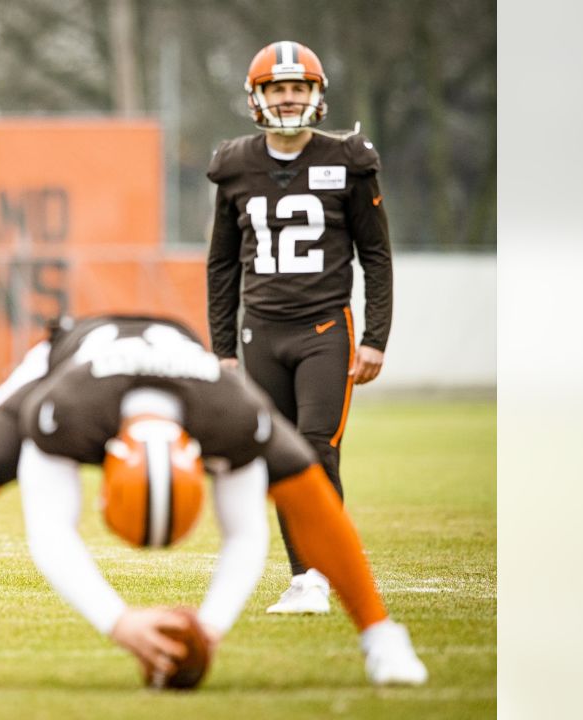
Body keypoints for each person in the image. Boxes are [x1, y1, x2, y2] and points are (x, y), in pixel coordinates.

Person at [0, 314, 426, 689]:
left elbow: (273, 523)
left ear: (205, 460)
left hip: (179, 362)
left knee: (308, 487)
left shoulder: (229, 413)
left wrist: (212, 627)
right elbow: (44, 529)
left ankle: (384, 637)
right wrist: (117, 622)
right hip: (68, 356)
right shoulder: (61, 411)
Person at [205, 41, 394, 614]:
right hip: (259, 333)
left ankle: (313, 577)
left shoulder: (350, 159)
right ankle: (306, 576)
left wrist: (375, 337)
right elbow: (221, 263)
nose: (289, 99)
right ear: (256, 97)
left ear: (318, 95)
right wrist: (222, 349)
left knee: (315, 452)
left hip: (323, 330)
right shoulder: (235, 163)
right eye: (277, 88)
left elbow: (376, 255)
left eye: (299, 88)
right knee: (280, 458)